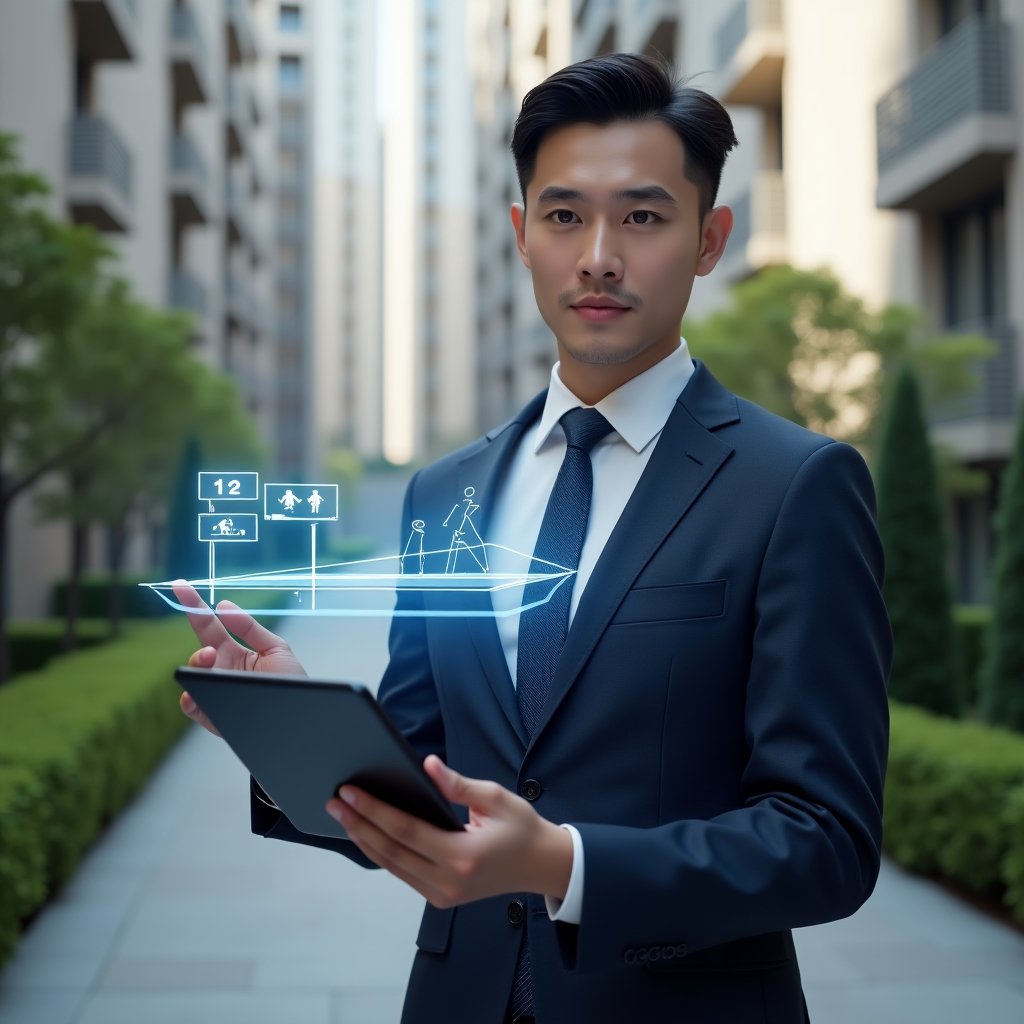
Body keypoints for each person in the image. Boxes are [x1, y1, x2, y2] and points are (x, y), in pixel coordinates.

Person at [176, 53, 890, 1024]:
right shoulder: (446, 493)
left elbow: (827, 840)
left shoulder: (795, 484)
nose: (598, 254)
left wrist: (563, 862)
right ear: (520, 234)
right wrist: (293, 730)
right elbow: (425, 781)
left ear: (710, 237)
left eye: (642, 216)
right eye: (563, 216)